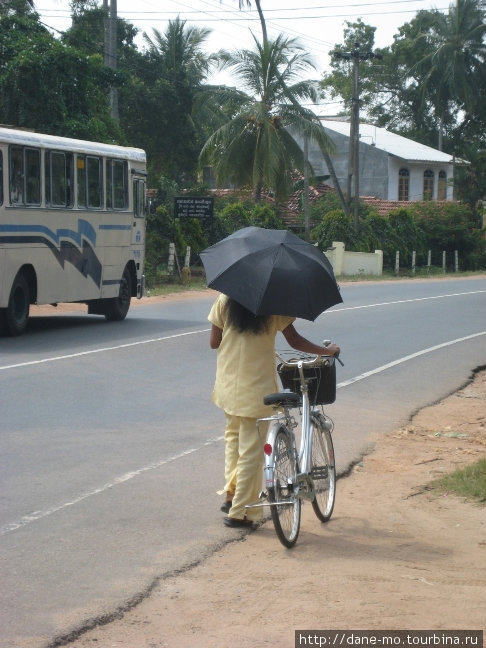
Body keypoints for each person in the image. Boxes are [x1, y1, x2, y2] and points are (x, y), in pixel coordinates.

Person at [208, 293, 340, 529]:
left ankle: (231, 494)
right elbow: (295, 342)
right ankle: (238, 512)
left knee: (233, 441)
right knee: (251, 451)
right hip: (256, 389)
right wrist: (327, 351)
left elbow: (214, 342)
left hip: (228, 385)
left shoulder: (224, 299)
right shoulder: (273, 304)